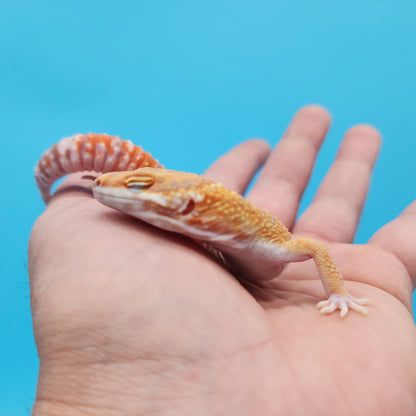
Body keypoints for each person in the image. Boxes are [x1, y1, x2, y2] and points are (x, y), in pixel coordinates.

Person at [29, 106, 416, 415]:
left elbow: (317, 249)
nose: (102, 185)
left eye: (136, 185)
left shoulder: (275, 249)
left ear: (191, 205)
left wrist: (339, 295)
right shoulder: (196, 234)